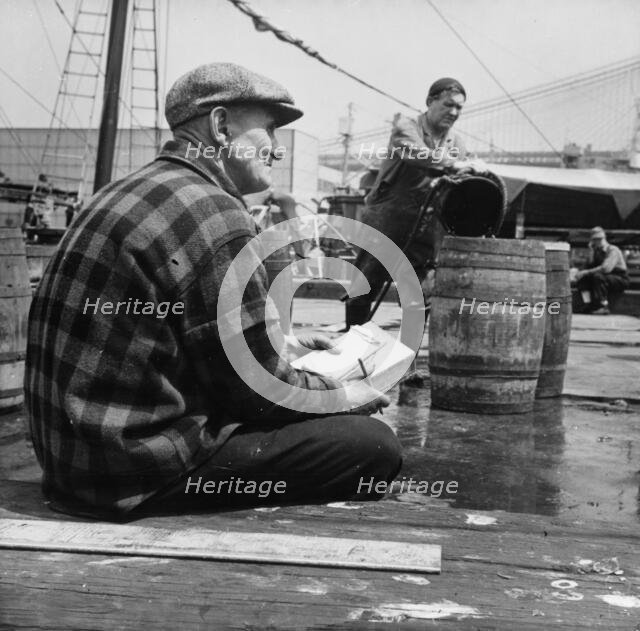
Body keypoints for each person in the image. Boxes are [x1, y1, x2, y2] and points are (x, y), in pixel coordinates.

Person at [25, 63, 400, 520]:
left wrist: (284, 343)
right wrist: (344, 395)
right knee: (372, 446)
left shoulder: (125, 191)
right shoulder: (217, 215)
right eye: (269, 130)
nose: (278, 151)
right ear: (221, 127)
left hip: (73, 467)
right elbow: (257, 392)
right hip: (136, 474)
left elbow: (173, 334)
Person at [344, 77, 472, 327]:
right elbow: (416, 153)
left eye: (459, 108)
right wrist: (453, 164)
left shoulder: (457, 143)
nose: (454, 112)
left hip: (424, 225)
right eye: (448, 105)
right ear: (429, 102)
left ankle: (407, 357)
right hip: (387, 219)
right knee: (365, 283)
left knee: (420, 292)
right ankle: (351, 347)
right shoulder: (406, 127)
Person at [575, 226, 630, 314]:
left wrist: (586, 272)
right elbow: (588, 266)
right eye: (595, 240)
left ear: (604, 238)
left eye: (600, 239)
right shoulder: (595, 251)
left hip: (619, 278)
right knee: (583, 279)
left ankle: (603, 306)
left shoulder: (612, 250)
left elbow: (606, 269)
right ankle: (587, 304)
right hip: (603, 277)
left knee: (598, 277)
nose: (598, 242)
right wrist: (591, 252)